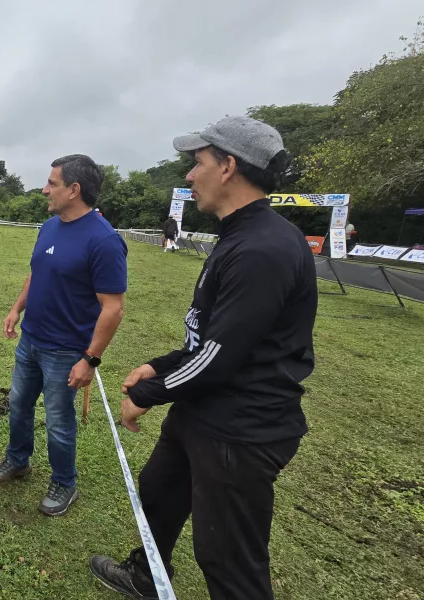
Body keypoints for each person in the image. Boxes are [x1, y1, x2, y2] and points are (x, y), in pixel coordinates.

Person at [89, 116, 316, 600]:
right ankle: (147, 575)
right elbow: (212, 338)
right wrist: (161, 364)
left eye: (197, 163)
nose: (190, 176)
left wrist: (148, 392)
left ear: (228, 167)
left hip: (240, 429)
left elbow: (218, 357)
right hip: (202, 410)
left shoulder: (263, 248)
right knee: (158, 492)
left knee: (228, 558)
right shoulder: (238, 235)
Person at [0, 155, 128, 516]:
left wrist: (90, 359)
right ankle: (18, 459)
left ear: (74, 189)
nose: (44, 189)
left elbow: (113, 308)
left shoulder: (104, 241)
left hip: (66, 351)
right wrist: (16, 308)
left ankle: (65, 483)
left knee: (58, 421)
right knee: (19, 405)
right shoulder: (49, 226)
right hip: (31, 339)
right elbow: (36, 272)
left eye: (52, 183)